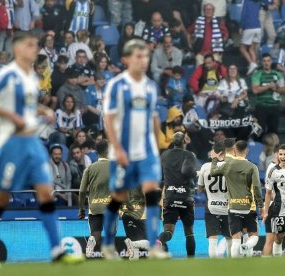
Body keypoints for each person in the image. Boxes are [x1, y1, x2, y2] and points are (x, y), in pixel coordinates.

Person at [0, 31, 84, 267]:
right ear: (17, 49)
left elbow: (27, 108)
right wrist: (9, 114)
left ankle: (56, 250)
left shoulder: (32, 77)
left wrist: (43, 111)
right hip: (11, 144)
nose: (36, 48)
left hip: (32, 144)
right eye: (31, 45)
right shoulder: (7, 74)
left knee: (46, 193)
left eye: (36, 45)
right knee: (1, 199)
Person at [102, 39, 169, 259]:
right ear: (126, 59)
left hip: (146, 151)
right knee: (119, 197)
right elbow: (109, 119)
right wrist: (117, 148)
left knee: (151, 192)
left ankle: (152, 244)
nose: (143, 61)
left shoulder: (150, 85)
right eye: (138, 56)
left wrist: (157, 145)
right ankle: (107, 242)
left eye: (146, 56)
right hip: (123, 151)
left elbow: (154, 117)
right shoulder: (117, 85)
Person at [211, 140, 264, 258]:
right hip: (249, 207)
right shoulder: (252, 166)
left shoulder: (228, 165)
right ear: (247, 151)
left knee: (236, 240)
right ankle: (246, 248)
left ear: (235, 150)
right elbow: (257, 187)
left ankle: (234, 267)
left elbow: (213, 173)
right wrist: (261, 205)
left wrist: (214, 159)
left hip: (233, 207)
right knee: (253, 236)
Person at [159, 132, 198, 257]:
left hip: (170, 197)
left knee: (168, 232)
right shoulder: (189, 155)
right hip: (186, 198)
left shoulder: (164, 155)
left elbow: (161, 174)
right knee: (189, 233)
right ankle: (190, 263)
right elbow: (187, 172)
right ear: (184, 142)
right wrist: (195, 173)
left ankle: (158, 242)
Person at [198, 142, 231, 258]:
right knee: (230, 238)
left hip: (211, 207)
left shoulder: (205, 167)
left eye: (212, 151)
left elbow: (199, 189)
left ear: (219, 152)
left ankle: (214, 266)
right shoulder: (231, 166)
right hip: (228, 207)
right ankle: (233, 265)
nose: (210, 154)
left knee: (212, 239)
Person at [78, 140, 111, 257]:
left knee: (95, 234)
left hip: (94, 207)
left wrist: (81, 209)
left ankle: (91, 243)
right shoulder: (114, 167)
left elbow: (82, 191)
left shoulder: (89, 168)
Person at [251, 53, 285, 135]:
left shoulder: (278, 74)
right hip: (261, 107)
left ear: (271, 62)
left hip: (275, 107)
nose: (266, 63)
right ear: (261, 62)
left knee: (273, 133)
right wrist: (269, 86)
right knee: (258, 133)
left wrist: (276, 89)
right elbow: (255, 90)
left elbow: (284, 90)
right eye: (264, 61)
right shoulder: (257, 74)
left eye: (268, 61)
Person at [121, 187, 150, 260]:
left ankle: (134, 267)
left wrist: (121, 212)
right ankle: (133, 244)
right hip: (140, 214)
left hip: (127, 213)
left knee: (133, 246)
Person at [239, 0, 262, 76]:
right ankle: (254, 69)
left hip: (249, 26)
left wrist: (241, 26)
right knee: (252, 49)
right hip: (258, 27)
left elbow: (244, 14)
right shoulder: (258, 2)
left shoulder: (246, 1)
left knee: (242, 48)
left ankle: (251, 63)